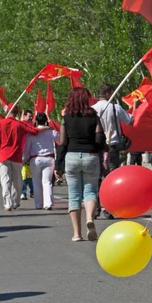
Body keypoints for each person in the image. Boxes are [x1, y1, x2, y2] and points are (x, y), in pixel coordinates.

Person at [56, 87, 105, 241]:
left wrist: (58, 165)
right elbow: (99, 139)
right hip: (91, 156)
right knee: (90, 191)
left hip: (71, 157)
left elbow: (63, 142)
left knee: (74, 195)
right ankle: (89, 218)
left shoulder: (66, 118)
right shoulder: (94, 116)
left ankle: (77, 234)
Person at [92, 84, 136, 219]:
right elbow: (130, 121)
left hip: (97, 147)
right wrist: (134, 108)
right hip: (113, 146)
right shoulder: (115, 108)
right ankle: (109, 208)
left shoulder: (92, 109)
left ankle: (96, 208)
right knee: (111, 178)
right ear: (109, 93)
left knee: (96, 178)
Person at [0, 106, 40, 211]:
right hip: (16, 156)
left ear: (7, 111)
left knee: (5, 180)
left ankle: (8, 204)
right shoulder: (20, 124)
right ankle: (16, 201)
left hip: (3, 156)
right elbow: (35, 131)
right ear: (17, 113)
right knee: (17, 181)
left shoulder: (0, 123)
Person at [23, 113, 59, 210]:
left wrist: (24, 158)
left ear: (36, 121)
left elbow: (27, 147)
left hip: (35, 159)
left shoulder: (32, 133)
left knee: (36, 181)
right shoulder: (51, 131)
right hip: (49, 158)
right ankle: (48, 203)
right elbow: (60, 139)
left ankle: (38, 204)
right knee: (47, 181)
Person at [20, 109, 35, 199]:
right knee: (23, 173)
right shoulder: (20, 125)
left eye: (31, 116)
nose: (30, 118)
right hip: (22, 152)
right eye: (29, 116)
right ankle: (23, 192)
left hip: (31, 153)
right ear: (24, 116)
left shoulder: (33, 126)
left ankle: (32, 191)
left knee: (29, 173)